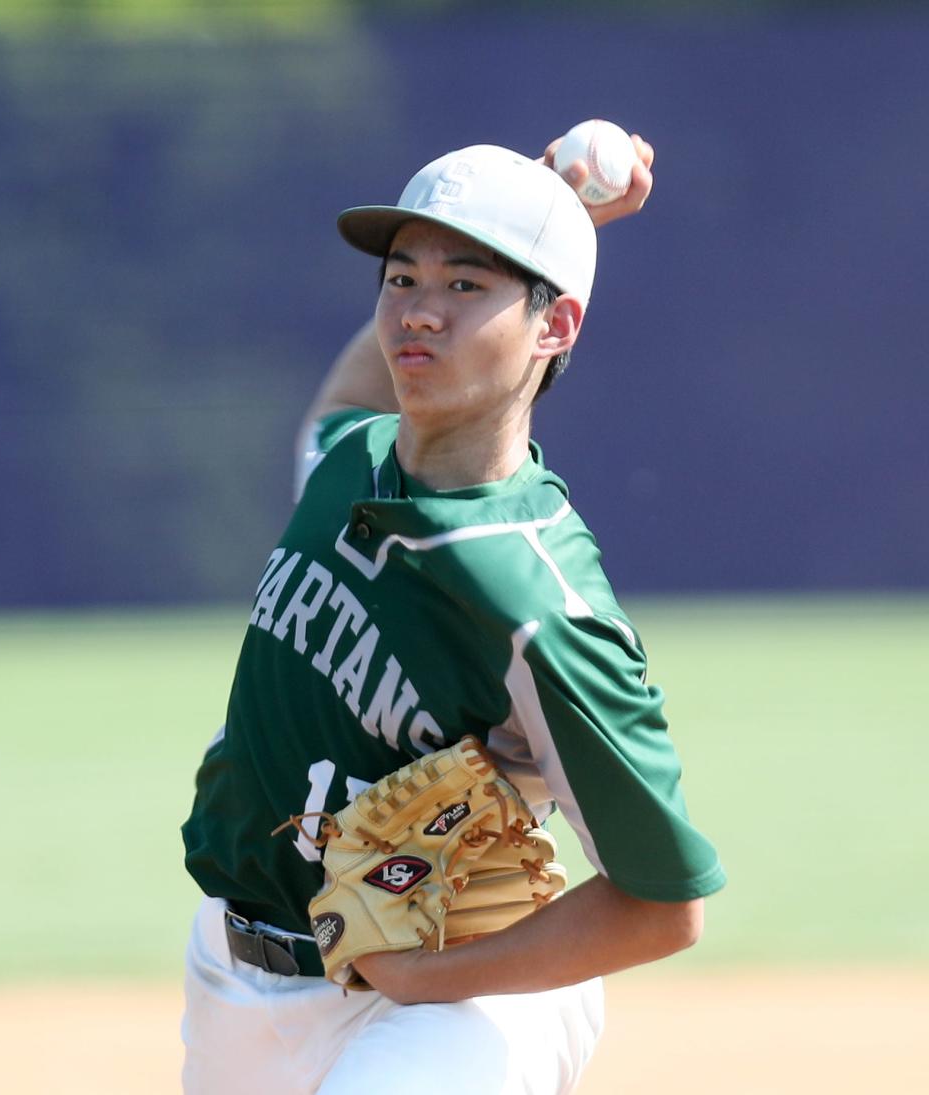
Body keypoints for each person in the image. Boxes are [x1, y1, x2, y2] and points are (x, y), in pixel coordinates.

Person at [181, 128, 726, 1095]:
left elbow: (662, 903)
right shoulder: (354, 458)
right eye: (400, 280)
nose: (417, 317)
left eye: (466, 287)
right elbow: (339, 404)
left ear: (556, 326)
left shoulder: (539, 607)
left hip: (457, 1001)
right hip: (236, 975)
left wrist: (427, 979)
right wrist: (546, 205)